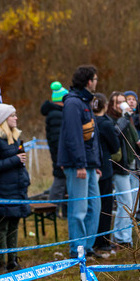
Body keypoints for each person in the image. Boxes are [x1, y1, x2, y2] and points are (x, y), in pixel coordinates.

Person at [58, 65, 102, 258]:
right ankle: (77, 249)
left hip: (90, 164)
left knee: (95, 205)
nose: (96, 82)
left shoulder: (85, 101)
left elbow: (92, 136)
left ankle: (88, 247)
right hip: (78, 165)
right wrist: (80, 164)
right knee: (79, 208)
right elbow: (73, 136)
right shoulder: (73, 103)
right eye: (95, 79)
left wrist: (95, 163)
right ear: (88, 81)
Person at [0, 104, 30, 271]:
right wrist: (15, 160)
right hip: (3, 188)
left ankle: (13, 259)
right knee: (2, 226)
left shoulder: (15, 137)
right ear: (4, 119)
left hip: (17, 187)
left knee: (14, 224)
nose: (16, 118)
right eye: (12, 115)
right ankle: (1, 262)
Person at [111, 92, 140, 248]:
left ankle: (123, 236)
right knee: (126, 202)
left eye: (124, 102)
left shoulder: (128, 120)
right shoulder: (114, 120)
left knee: (129, 203)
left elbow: (132, 140)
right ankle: (122, 238)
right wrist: (124, 118)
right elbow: (115, 134)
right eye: (119, 103)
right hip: (119, 167)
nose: (123, 105)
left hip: (130, 164)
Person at [93, 93, 119, 254]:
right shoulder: (105, 124)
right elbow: (115, 146)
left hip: (92, 167)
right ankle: (102, 240)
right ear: (105, 105)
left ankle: (94, 238)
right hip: (104, 167)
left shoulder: (89, 121)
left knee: (94, 205)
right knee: (105, 206)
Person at [40, 81, 67, 208]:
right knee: (60, 181)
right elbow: (57, 140)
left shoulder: (57, 113)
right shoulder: (56, 115)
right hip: (59, 155)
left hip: (60, 154)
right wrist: (60, 158)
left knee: (63, 182)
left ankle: (60, 210)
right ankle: (51, 209)